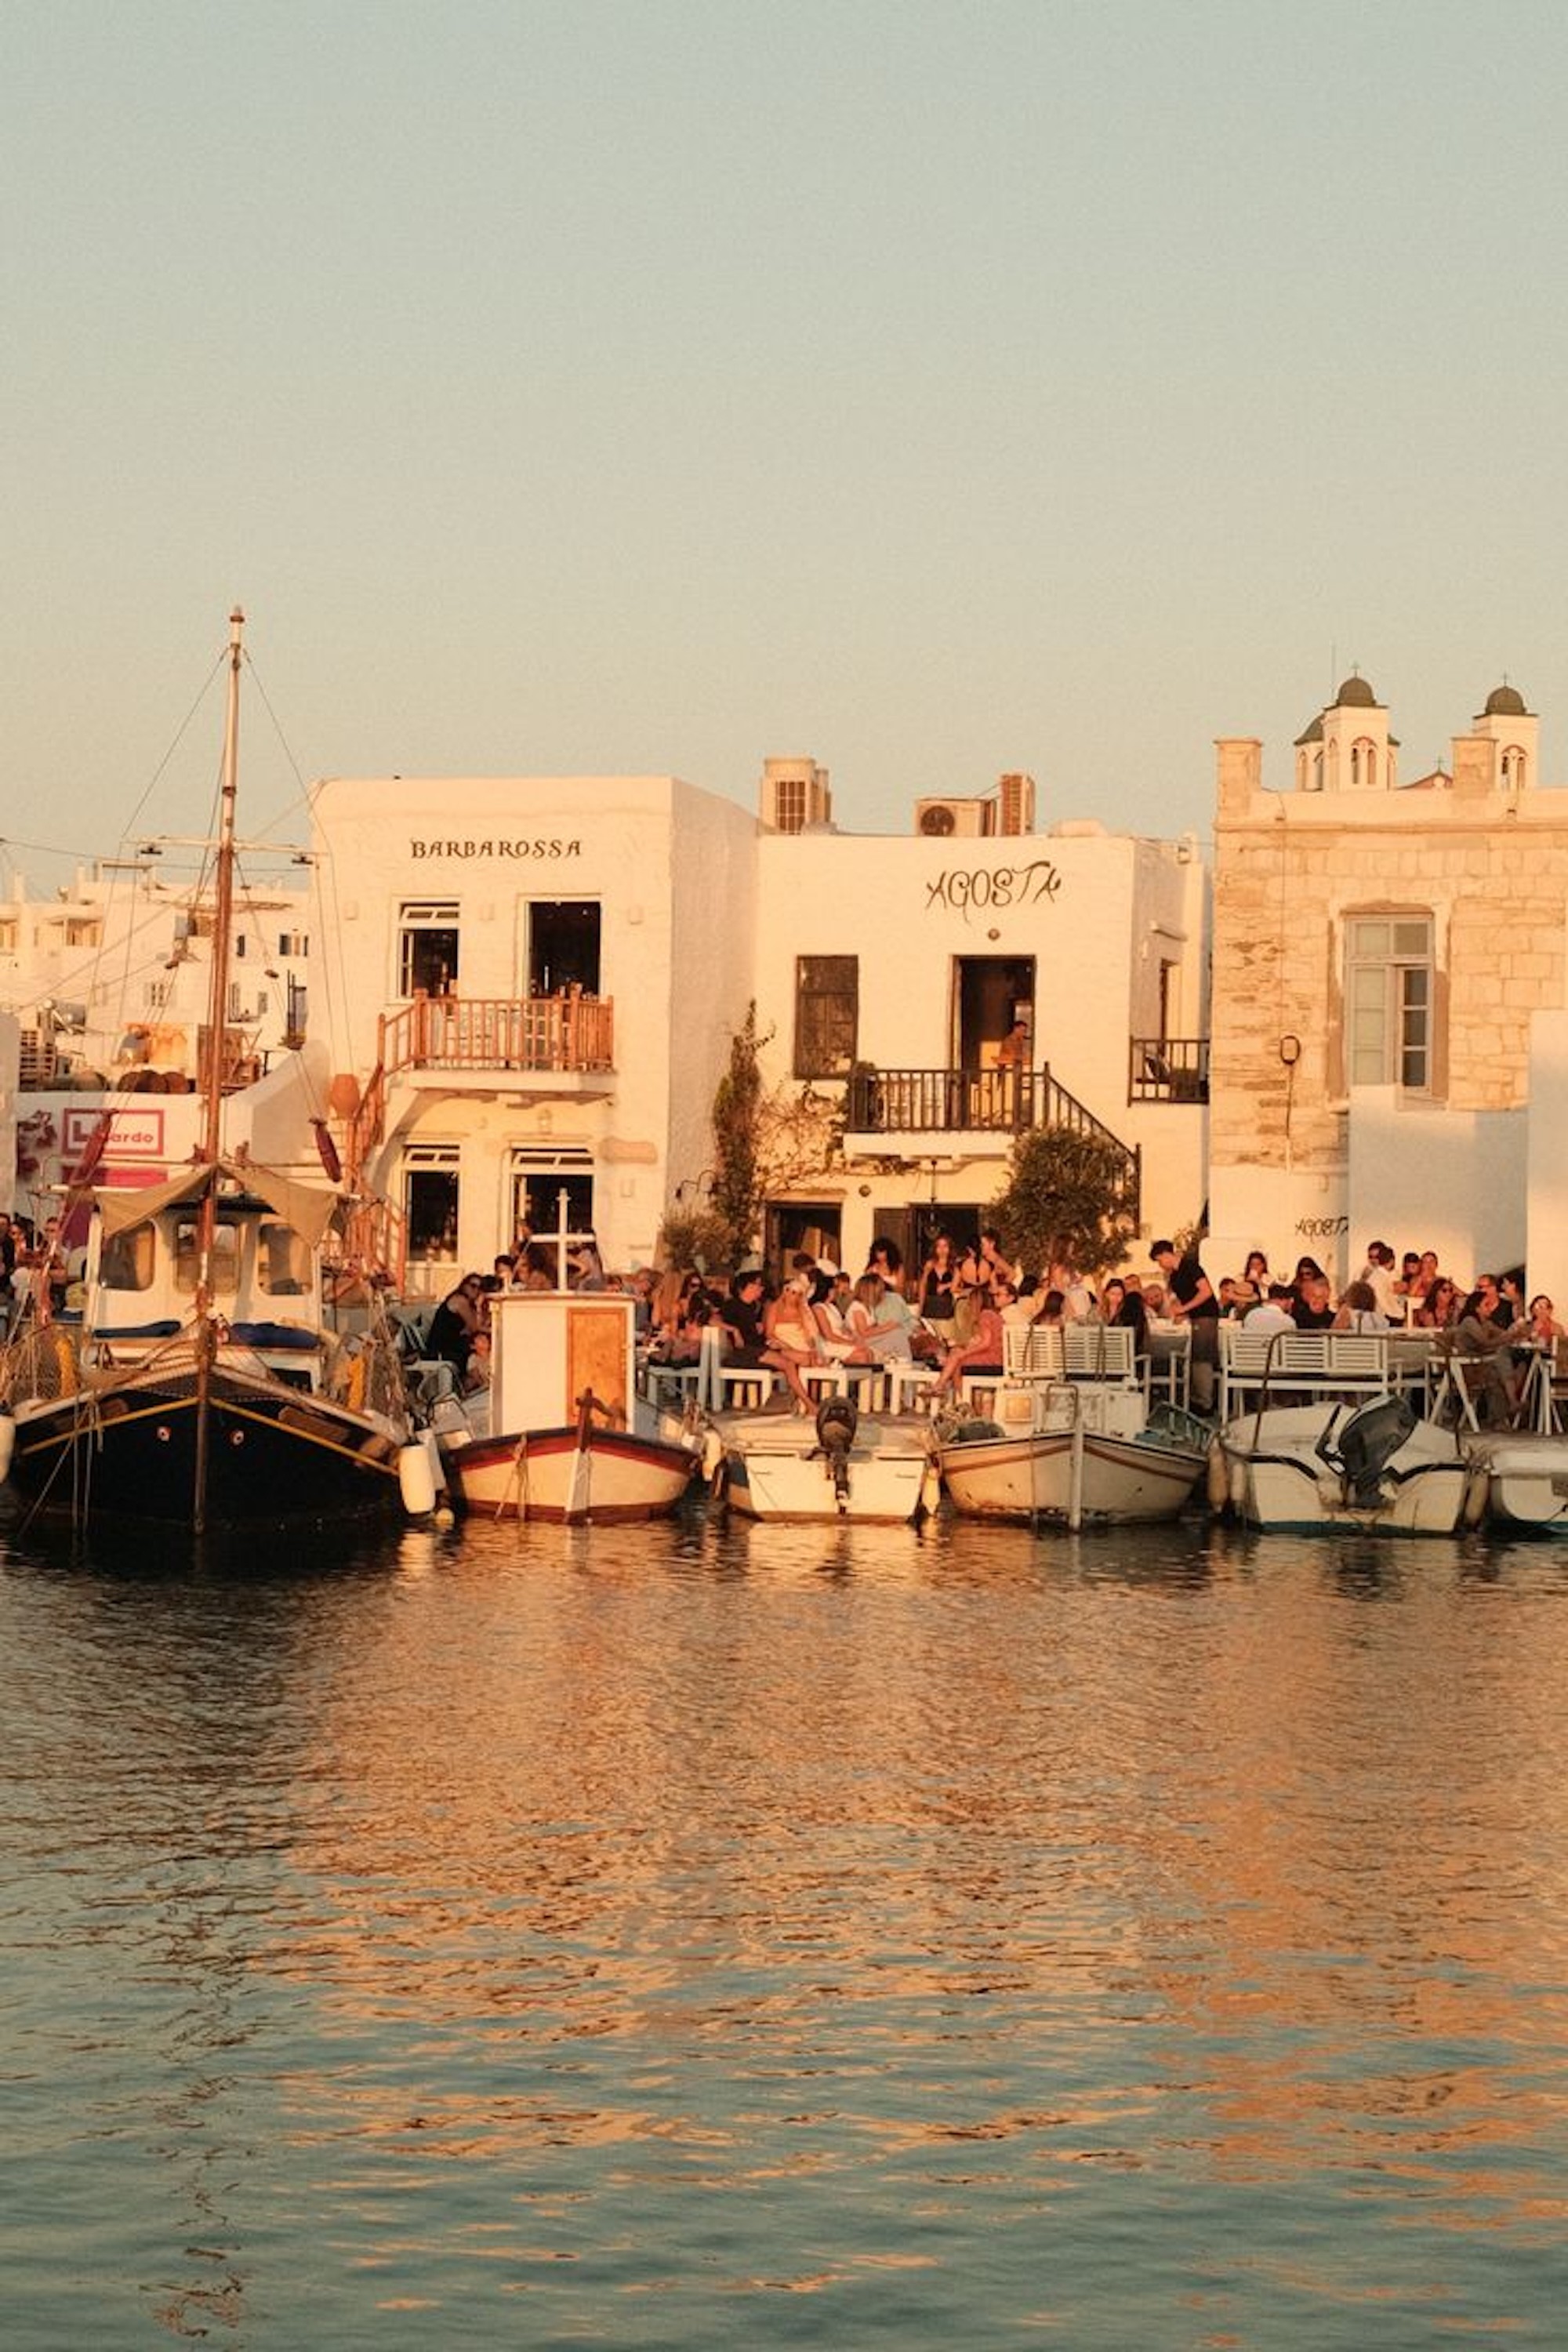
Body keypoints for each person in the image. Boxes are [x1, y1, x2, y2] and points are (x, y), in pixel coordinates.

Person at [1150, 1237, 1219, 1412]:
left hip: (1206, 1315)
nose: (1160, 1265)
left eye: (1159, 1261)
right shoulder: (1174, 1276)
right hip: (1194, 1316)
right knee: (1195, 1357)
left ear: (1166, 1255)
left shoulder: (1191, 1267)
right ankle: (1197, 1398)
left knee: (1202, 1358)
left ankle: (1205, 1402)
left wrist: (1183, 1309)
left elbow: (1206, 1292)